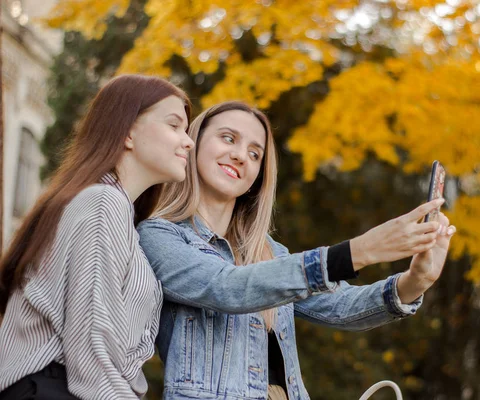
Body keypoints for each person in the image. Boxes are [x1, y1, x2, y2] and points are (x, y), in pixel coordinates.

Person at [137, 101, 456, 400]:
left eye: (254, 154)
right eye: (228, 138)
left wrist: (417, 280)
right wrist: (359, 251)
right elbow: (227, 287)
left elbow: (341, 307)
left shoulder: (270, 253)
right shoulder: (160, 235)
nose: (240, 156)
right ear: (193, 144)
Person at [0, 74, 195, 399]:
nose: (187, 141)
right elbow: (91, 343)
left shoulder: (116, 213)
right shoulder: (102, 202)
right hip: (53, 388)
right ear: (128, 131)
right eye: (174, 126)